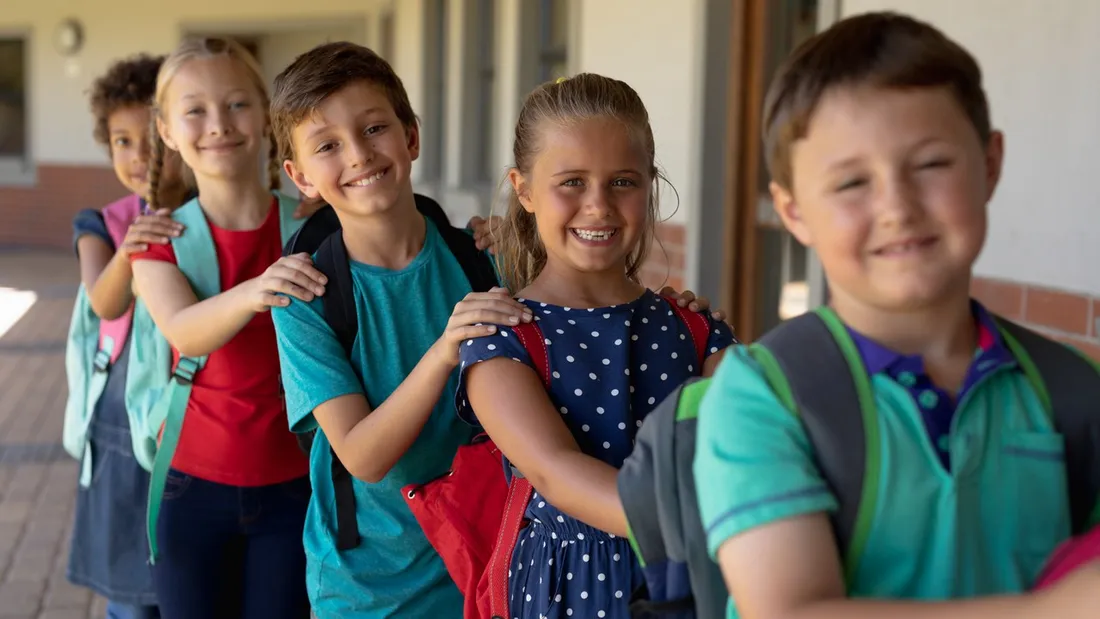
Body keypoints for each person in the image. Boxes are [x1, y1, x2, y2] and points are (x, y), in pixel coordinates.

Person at [694, 11, 1100, 619]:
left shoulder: (1070, 389)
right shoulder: (763, 395)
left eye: (931, 164)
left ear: (989, 163)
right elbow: (791, 610)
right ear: (794, 211)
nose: (896, 207)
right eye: (852, 182)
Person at [456, 73, 735, 619]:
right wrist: (719, 518)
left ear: (649, 185)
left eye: (623, 182)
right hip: (568, 588)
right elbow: (555, 472)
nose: (599, 205)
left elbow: (755, 439)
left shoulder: (698, 331)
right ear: (525, 189)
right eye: (572, 182)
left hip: (693, 582)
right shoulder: (504, 338)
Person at [129, 37, 319, 619]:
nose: (219, 124)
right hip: (190, 487)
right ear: (166, 130)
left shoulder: (314, 226)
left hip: (296, 485)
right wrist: (257, 290)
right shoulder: (160, 238)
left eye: (237, 104)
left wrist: (476, 239)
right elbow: (186, 330)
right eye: (195, 110)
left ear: (266, 115)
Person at [66, 52, 189, 619]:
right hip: (120, 417)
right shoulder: (102, 222)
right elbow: (104, 300)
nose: (139, 156)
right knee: (131, 595)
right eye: (121, 140)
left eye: (152, 137)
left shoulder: (211, 213)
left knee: (187, 574)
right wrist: (133, 245)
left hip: (189, 407)